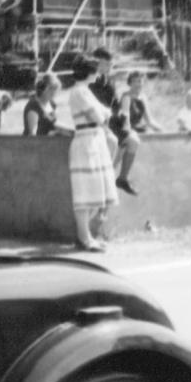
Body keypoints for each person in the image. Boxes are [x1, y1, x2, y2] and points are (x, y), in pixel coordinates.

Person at [67, 55, 119, 252]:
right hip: (86, 141)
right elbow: (99, 116)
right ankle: (84, 238)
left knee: (94, 191)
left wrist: (104, 114)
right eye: (95, 70)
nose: (98, 73)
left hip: (95, 140)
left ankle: (85, 236)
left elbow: (105, 113)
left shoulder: (85, 91)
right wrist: (104, 114)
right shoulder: (80, 91)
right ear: (89, 72)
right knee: (85, 192)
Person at [88, 48, 140, 195]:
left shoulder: (109, 81)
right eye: (107, 64)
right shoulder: (91, 82)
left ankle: (122, 178)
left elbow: (115, 104)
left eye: (111, 64)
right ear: (98, 63)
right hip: (96, 124)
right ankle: (104, 180)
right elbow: (96, 108)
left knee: (134, 141)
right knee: (115, 142)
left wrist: (123, 116)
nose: (110, 67)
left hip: (110, 122)